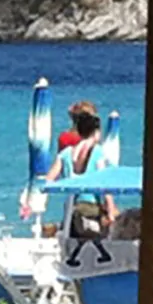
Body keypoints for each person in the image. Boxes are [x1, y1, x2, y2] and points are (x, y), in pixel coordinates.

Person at [47, 100, 115, 238]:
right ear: (96, 132)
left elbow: (48, 180)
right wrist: (111, 209)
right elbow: (105, 184)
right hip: (91, 211)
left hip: (70, 212)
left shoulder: (65, 154)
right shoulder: (97, 152)